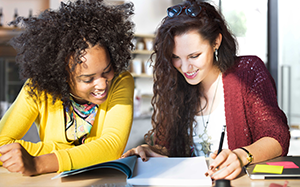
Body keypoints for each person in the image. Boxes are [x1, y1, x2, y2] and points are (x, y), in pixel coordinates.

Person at [122, 0, 290, 180]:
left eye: (194, 56)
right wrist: (151, 152)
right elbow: (168, 148)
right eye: (175, 57)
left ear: (216, 42)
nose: (185, 67)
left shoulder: (247, 72)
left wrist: (241, 156)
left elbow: (276, 136)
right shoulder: (174, 83)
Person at [0, 0, 135, 176]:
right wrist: (85, 151)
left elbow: (111, 147)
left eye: (107, 71)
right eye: (88, 79)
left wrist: (39, 163)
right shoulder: (39, 89)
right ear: (62, 77)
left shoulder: (120, 81)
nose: (102, 84)